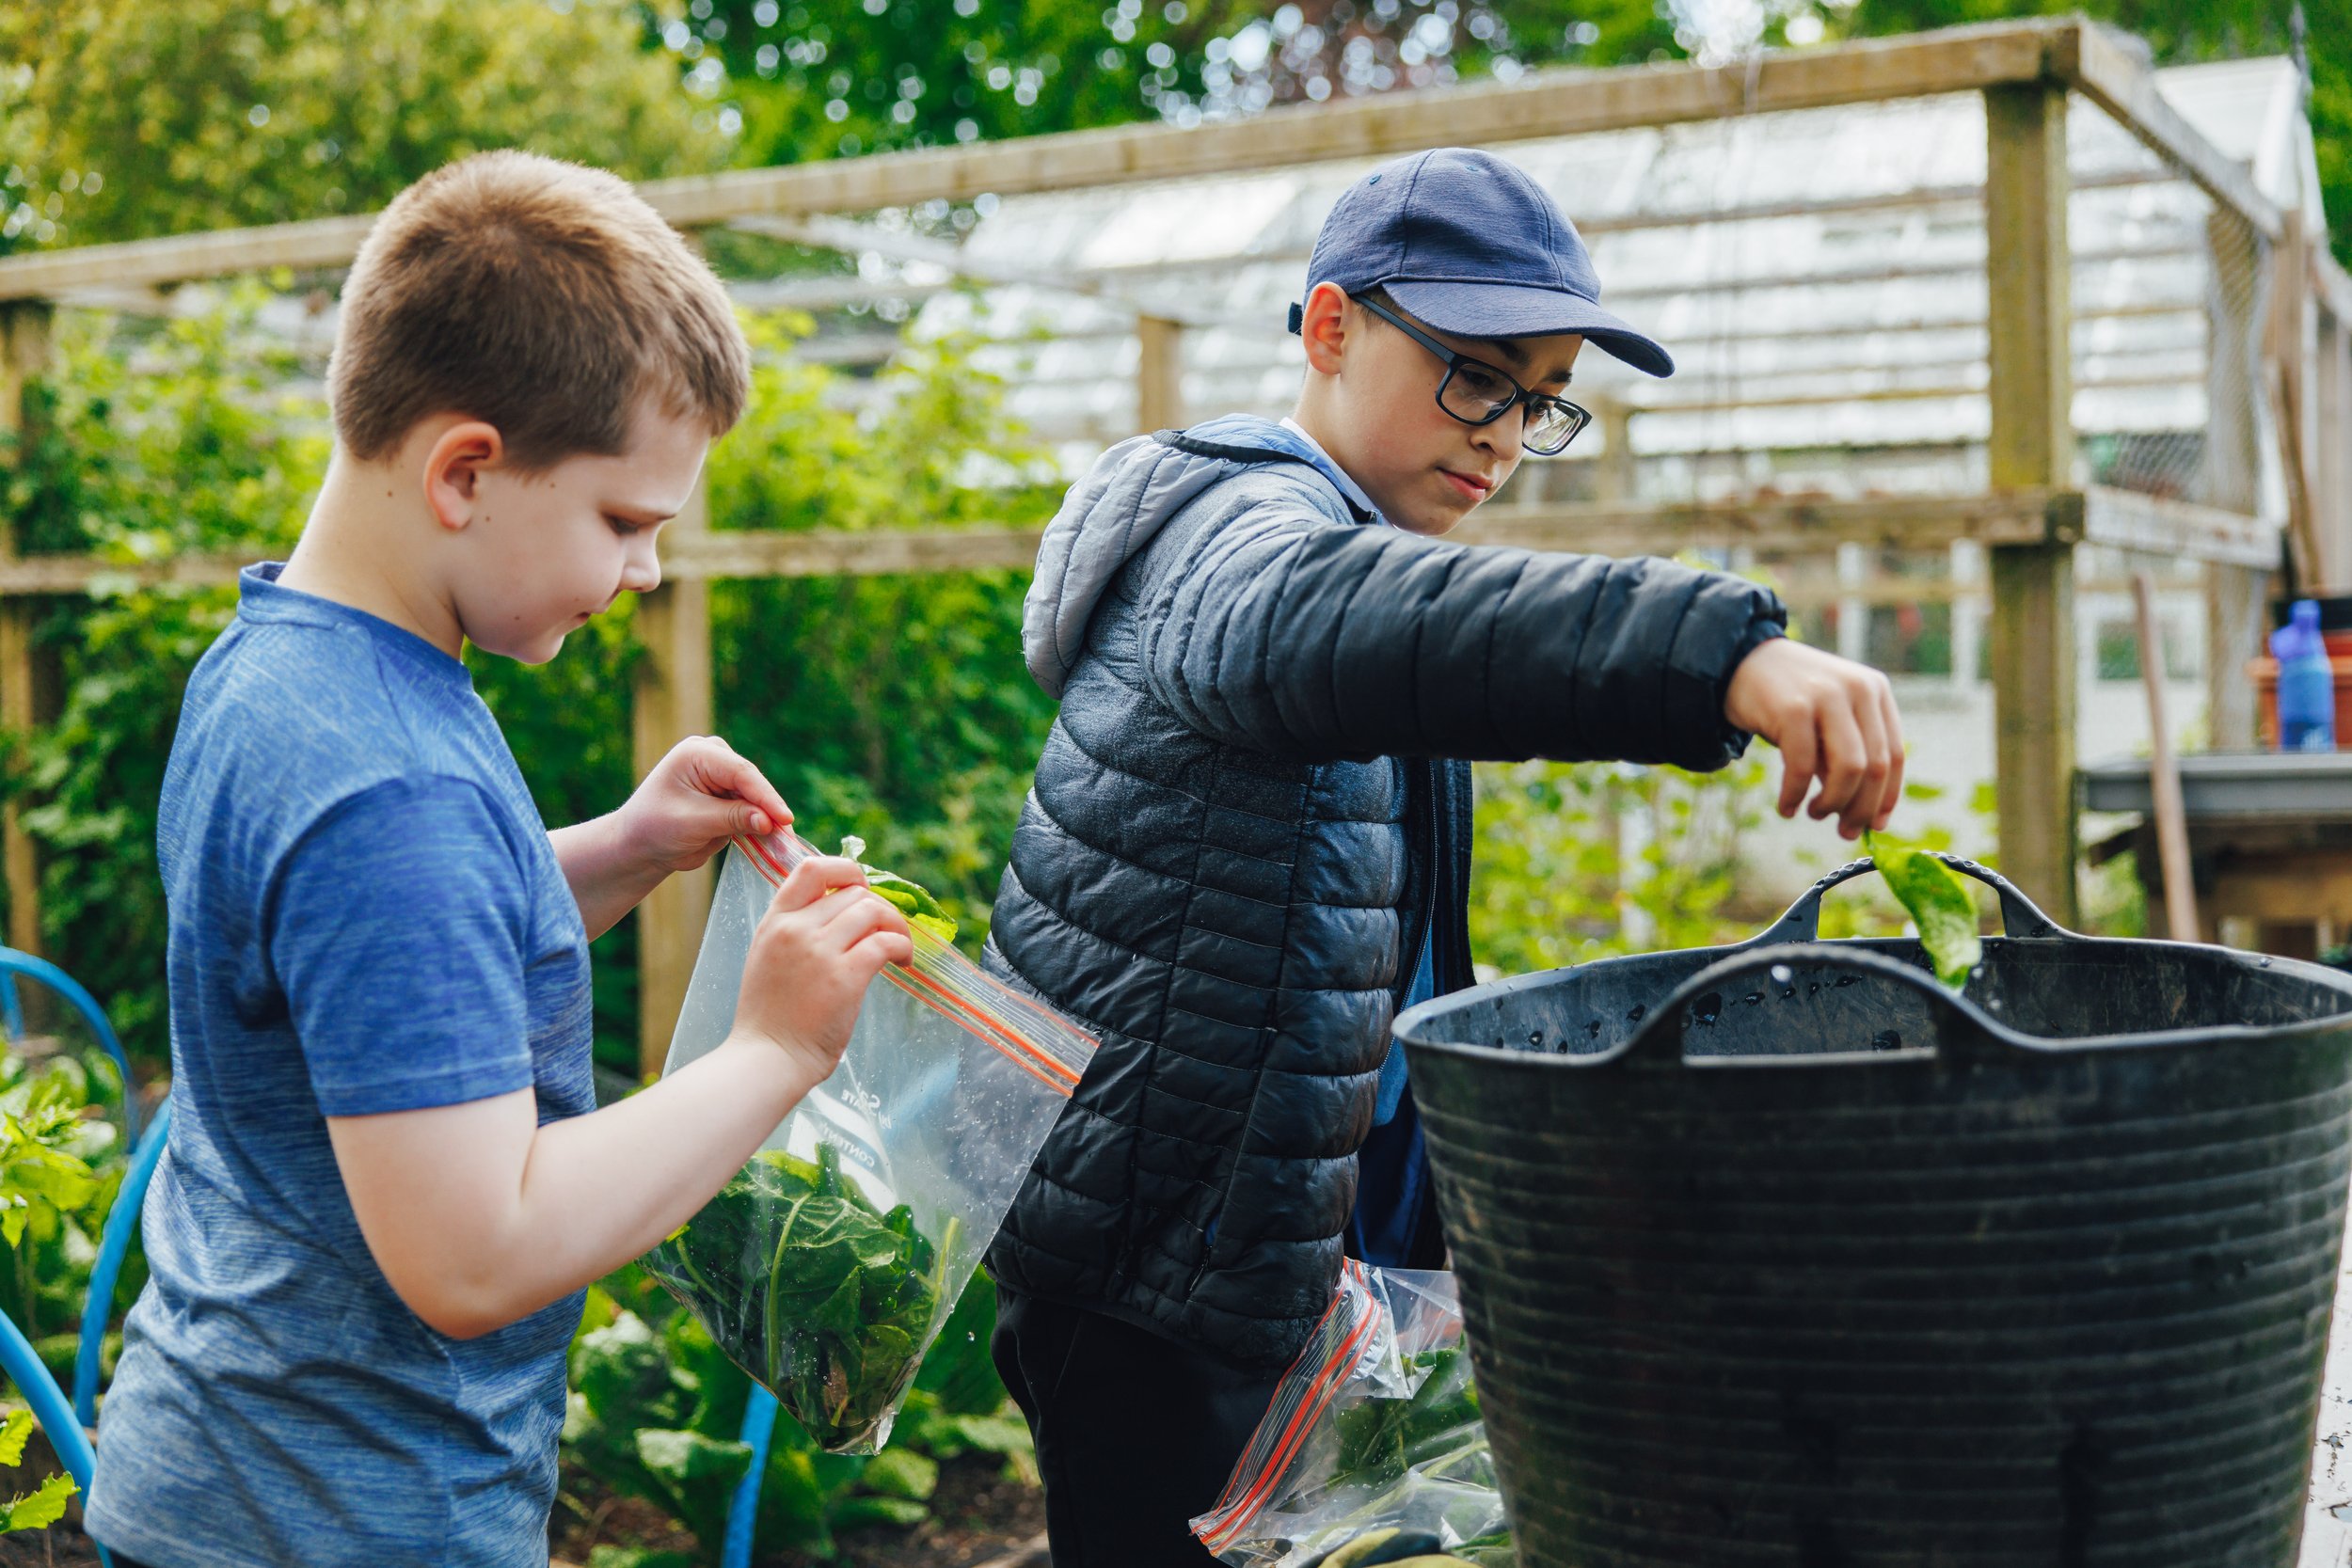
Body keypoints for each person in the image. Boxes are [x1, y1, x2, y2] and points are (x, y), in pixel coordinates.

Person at [982, 147, 1906, 1564]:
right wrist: (1715, 655)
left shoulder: (1357, 534)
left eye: (1541, 400)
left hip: (1288, 1248)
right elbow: (1354, 618)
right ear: (1330, 327)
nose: (1502, 436)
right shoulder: (1236, 537)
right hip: (1165, 1293)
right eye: (1476, 376)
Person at [82, 151, 914, 1568]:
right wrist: (773, 1050)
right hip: (342, 1521)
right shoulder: (388, 786)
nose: (646, 573)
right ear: (466, 471)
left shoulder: (291, 667)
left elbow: (390, 970)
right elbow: (476, 1255)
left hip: (238, 1478)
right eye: (625, 522)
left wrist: (622, 851)